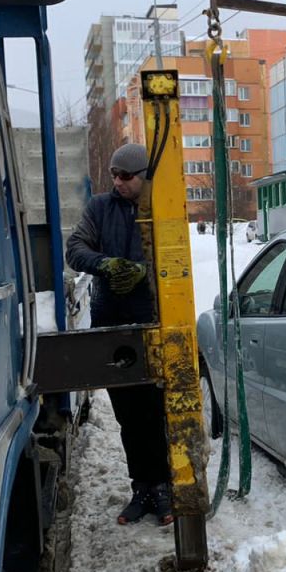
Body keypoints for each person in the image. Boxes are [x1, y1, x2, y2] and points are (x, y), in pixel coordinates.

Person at [66, 143, 173, 526]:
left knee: (155, 408)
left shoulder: (162, 208)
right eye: (113, 174)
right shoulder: (100, 207)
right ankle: (141, 487)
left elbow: (174, 254)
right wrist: (105, 263)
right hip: (111, 324)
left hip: (150, 321)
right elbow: (75, 248)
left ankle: (164, 487)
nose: (117, 181)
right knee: (128, 412)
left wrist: (146, 270)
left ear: (143, 177)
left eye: (125, 175)